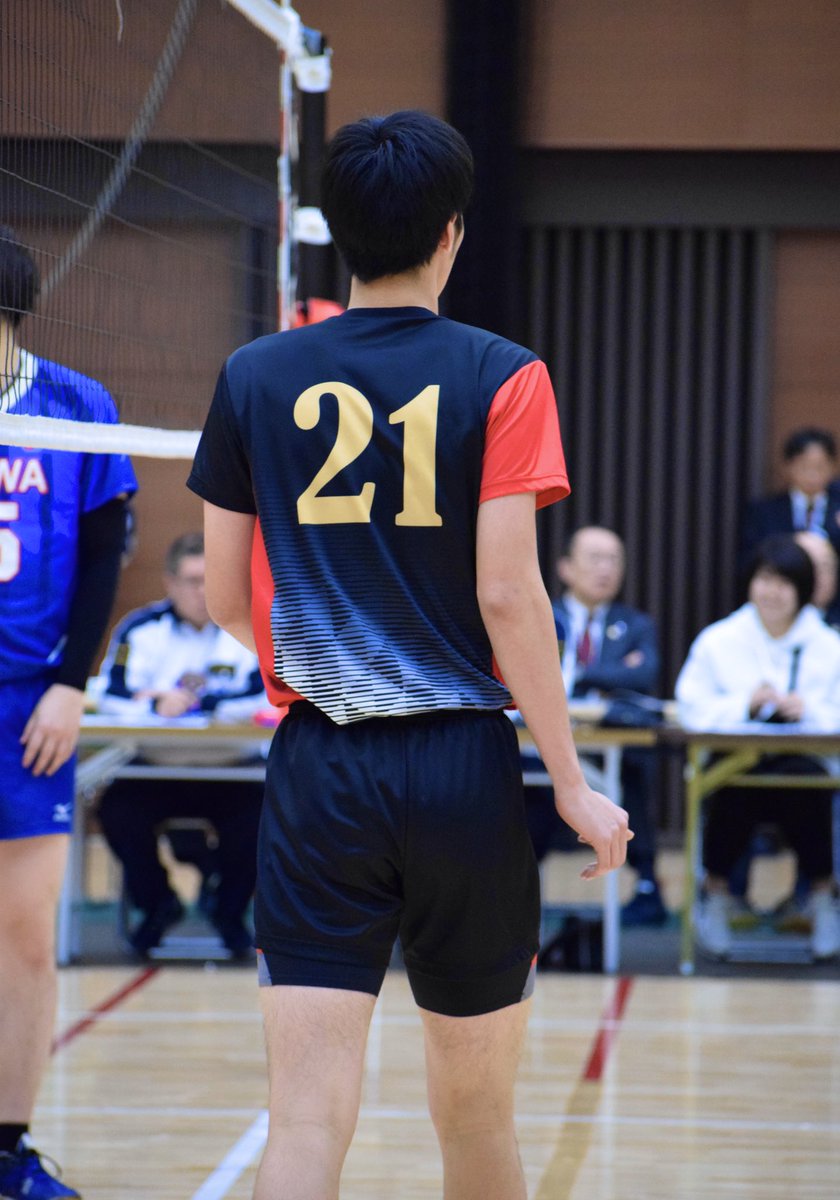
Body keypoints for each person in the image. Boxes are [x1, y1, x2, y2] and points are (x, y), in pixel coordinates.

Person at [187, 110, 632, 1200]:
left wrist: (322, 660)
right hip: (460, 771)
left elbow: (225, 592)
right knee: (477, 1120)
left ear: (340, 233)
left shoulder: (253, 374)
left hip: (321, 767)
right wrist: (572, 781)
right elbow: (508, 594)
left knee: (306, 1121)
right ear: (450, 233)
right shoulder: (505, 374)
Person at [0, 227, 137, 1199]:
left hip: (26, 704)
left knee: (22, 933)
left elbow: (100, 557)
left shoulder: (78, 405)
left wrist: (71, 682)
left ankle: (8, 1150)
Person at [96, 532, 266, 959]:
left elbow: (264, 697)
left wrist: (196, 703)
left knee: (267, 816)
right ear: (170, 583)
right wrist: (155, 704)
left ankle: (228, 912)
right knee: (116, 811)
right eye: (192, 580)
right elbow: (110, 695)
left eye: (212, 579)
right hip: (157, 768)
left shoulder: (250, 627)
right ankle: (158, 904)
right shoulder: (140, 629)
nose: (203, 590)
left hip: (234, 770)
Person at [676, 535, 840, 961]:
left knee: (807, 791)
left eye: (784, 583)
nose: (772, 592)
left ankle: (823, 897)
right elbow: (690, 706)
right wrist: (744, 705)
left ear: (803, 590)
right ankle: (715, 894)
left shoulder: (828, 645)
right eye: (765, 580)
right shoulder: (719, 640)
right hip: (735, 766)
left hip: (806, 767)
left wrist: (810, 710)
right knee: (733, 789)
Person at [527, 527, 665, 926]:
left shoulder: (635, 624)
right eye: (595, 559)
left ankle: (646, 884)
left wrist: (581, 676)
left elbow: (643, 674)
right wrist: (608, 674)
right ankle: (515, 884)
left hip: (605, 745)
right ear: (565, 567)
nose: (606, 569)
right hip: (537, 744)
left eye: (614, 560)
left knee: (632, 770)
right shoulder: (541, 615)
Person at [741, 426, 840, 563]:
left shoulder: (837, 506)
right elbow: (750, 559)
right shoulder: (764, 511)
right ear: (788, 466)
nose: (812, 475)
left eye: (820, 467)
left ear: (833, 467)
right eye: (804, 466)